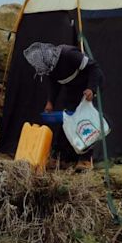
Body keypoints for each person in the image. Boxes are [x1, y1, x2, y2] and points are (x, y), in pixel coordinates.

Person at [23, 42, 104, 170]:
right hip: (72, 89)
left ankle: (85, 160)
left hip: (88, 86)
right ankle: (59, 158)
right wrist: (50, 102)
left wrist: (91, 89)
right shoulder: (50, 68)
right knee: (67, 121)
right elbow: (54, 85)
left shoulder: (69, 55)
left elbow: (94, 68)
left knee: (84, 122)